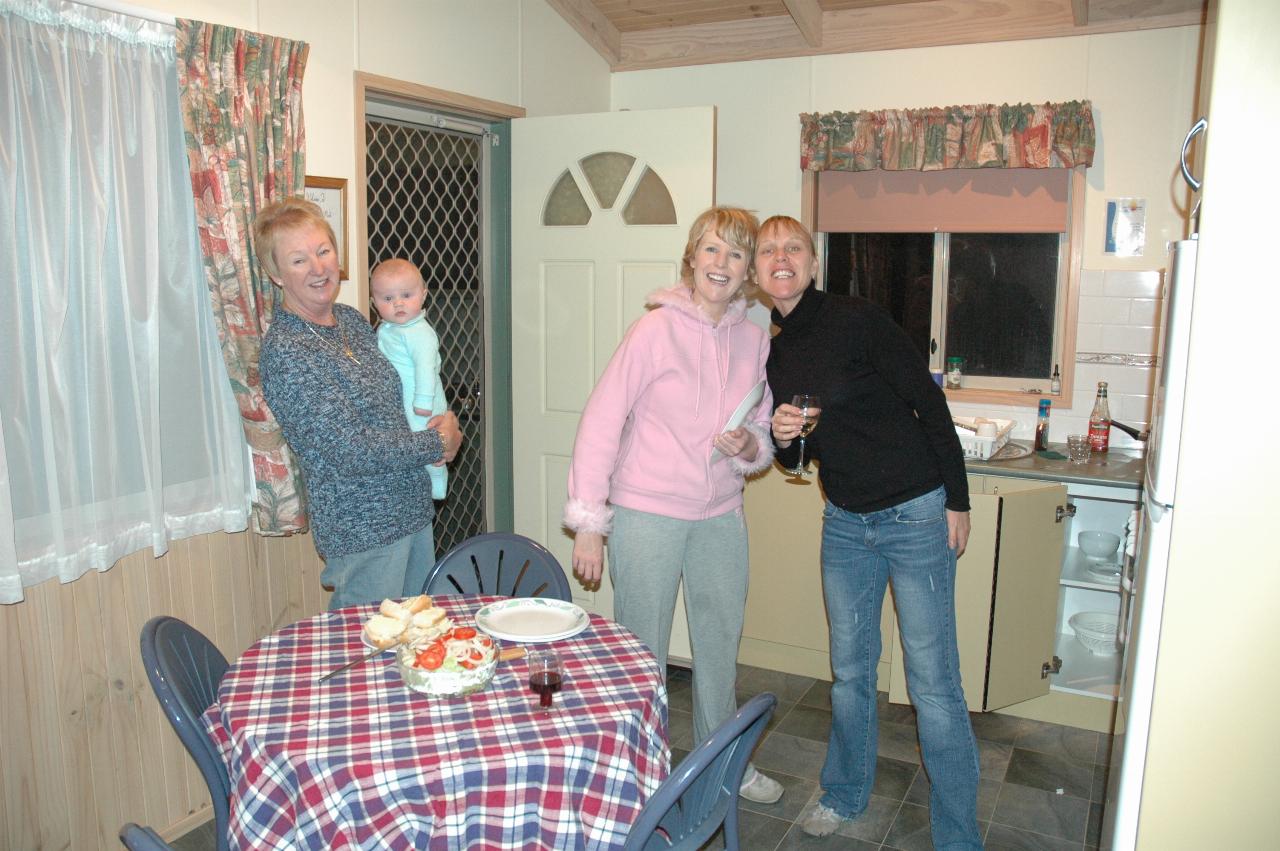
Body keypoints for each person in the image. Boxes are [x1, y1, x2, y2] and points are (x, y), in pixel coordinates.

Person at [755, 215, 982, 848]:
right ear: (756, 272)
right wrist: (784, 442)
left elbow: (928, 403)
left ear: (813, 262)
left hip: (915, 512)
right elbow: (800, 457)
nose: (782, 258)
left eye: (793, 247)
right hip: (846, 523)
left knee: (933, 684)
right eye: (769, 250)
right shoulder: (775, 350)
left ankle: (958, 835)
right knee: (851, 674)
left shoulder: (857, 319)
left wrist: (956, 502)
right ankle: (845, 793)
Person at [562, 207, 784, 804]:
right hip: (647, 511)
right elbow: (601, 421)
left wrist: (749, 445)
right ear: (692, 258)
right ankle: (642, 768)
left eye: (736, 255)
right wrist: (589, 520)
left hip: (719, 516)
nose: (722, 264)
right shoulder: (653, 330)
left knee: (719, 645)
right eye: (712, 250)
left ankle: (725, 763)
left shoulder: (754, 341)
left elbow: (760, 426)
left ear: (748, 275)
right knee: (642, 649)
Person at [256, 198, 462, 609]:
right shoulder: (288, 351)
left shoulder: (352, 320)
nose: (318, 268)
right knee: (366, 655)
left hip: (412, 511)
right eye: (299, 260)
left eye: (323, 251)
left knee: (417, 642)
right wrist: (436, 443)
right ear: (275, 275)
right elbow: (349, 449)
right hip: (364, 530)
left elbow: (394, 403)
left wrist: (442, 420)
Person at [370, 258, 449, 500]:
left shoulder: (419, 332)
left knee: (425, 444)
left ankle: (438, 482)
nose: (399, 303)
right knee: (412, 443)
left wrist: (423, 402)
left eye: (406, 295)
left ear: (423, 295)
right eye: (388, 299)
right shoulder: (387, 330)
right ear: (374, 303)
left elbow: (426, 368)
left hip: (421, 403)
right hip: (403, 402)